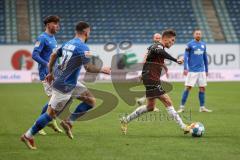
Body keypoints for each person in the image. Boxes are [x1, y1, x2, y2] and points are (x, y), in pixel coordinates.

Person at [21, 21, 111, 150]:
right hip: (64, 85)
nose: (89, 34)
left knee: (90, 100)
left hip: (69, 82)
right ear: (86, 32)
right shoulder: (84, 48)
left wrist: (51, 72)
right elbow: (89, 68)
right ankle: (28, 135)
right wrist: (103, 69)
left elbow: (53, 55)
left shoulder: (68, 43)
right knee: (50, 115)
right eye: (89, 32)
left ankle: (69, 121)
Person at [120, 29, 190, 135]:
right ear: (165, 39)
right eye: (172, 40)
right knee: (167, 101)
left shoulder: (158, 47)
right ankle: (184, 126)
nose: (173, 43)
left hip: (150, 78)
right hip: (151, 79)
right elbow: (160, 52)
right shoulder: (156, 46)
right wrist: (176, 60)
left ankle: (125, 120)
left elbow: (150, 60)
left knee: (150, 107)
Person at [31, 15, 62, 135]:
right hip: (46, 74)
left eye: (58, 24)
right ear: (48, 24)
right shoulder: (42, 38)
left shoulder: (53, 38)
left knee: (59, 100)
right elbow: (34, 55)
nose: (57, 26)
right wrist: (47, 64)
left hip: (55, 73)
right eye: (55, 23)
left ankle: (50, 120)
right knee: (55, 99)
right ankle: (38, 124)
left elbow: (54, 56)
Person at [177, 29, 212, 113]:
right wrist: (185, 68)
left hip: (202, 70)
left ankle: (202, 107)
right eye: (197, 34)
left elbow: (205, 58)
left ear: (201, 35)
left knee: (202, 88)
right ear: (194, 35)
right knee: (188, 88)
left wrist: (206, 69)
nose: (198, 35)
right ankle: (181, 107)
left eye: (199, 34)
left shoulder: (203, 44)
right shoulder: (189, 44)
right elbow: (185, 56)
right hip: (192, 71)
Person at [136, 33, 166, 112]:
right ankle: (148, 103)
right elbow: (145, 59)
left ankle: (144, 100)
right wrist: (142, 72)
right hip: (150, 71)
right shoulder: (151, 48)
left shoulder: (161, 48)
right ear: (153, 39)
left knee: (153, 88)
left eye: (159, 38)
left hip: (155, 71)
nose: (158, 39)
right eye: (156, 38)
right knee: (155, 87)